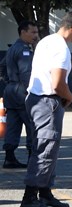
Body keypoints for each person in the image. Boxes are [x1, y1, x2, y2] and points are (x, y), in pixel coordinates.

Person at [19, 11, 72, 207]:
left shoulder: (46, 41)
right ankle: (29, 198)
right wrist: (71, 97)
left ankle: (45, 193)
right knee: (45, 150)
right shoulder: (62, 49)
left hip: (35, 99)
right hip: (48, 101)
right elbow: (57, 84)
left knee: (45, 148)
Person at [2, 20, 39, 169]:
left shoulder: (13, 48)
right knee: (32, 124)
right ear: (23, 32)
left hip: (10, 91)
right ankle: (32, 158)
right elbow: (26, 73)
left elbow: (2, 66)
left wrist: (9, 82)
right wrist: (29, 91)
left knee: (13, 125)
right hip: (21, 92)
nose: (36, 36)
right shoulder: (24, 50)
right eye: (33, 32)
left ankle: (9, 158)